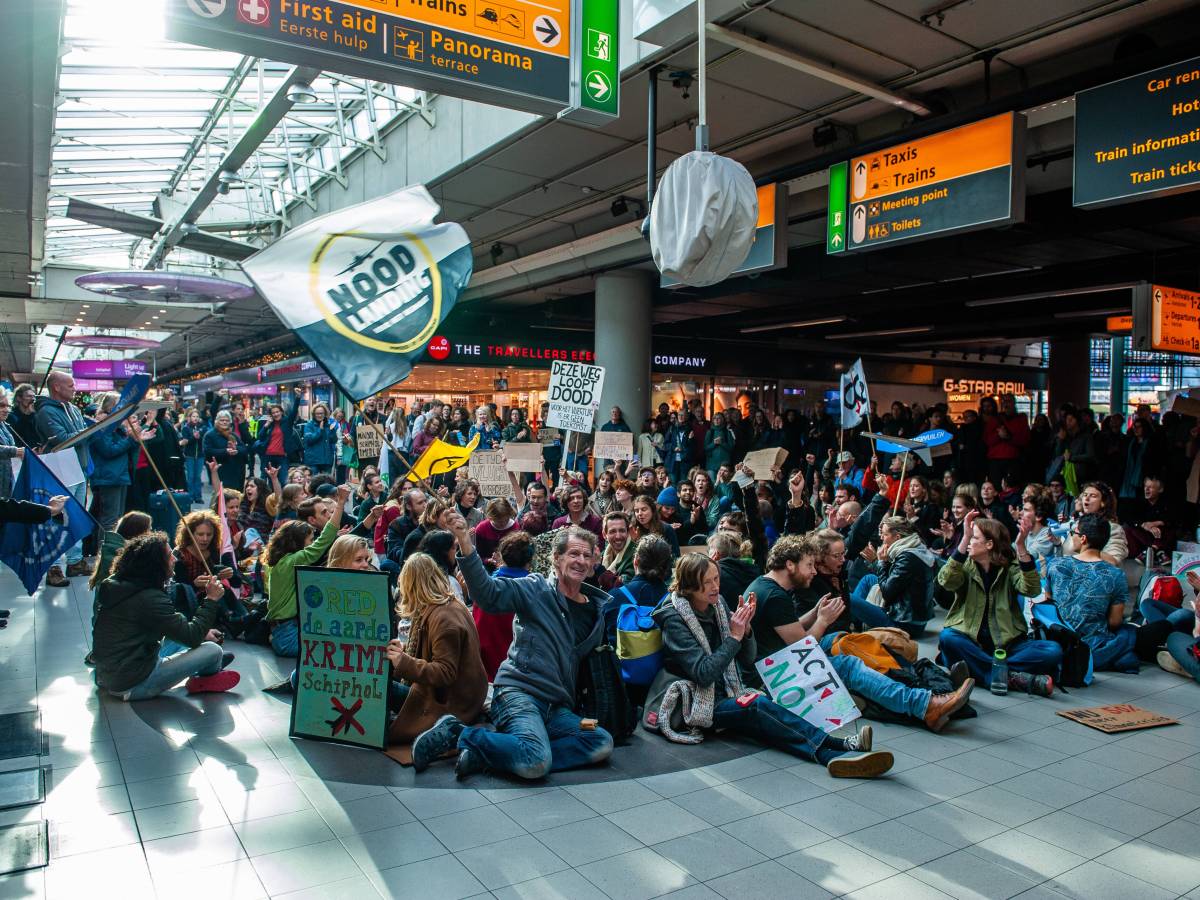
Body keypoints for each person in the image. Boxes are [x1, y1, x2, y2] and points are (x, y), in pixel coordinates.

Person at [643, 553, 893, 776]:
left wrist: (747, 630)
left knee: (768, 716)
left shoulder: (717, 606)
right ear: (689, 586)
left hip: (723, 690)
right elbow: (704, 673)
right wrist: (734, 637)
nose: (715, 587)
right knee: (758, 705)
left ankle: (837, 747)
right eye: (707, 582)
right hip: (695, 700)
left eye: (716, 578)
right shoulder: (675, 619)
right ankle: (832, 751)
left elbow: (746, 658)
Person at [411, 518, 614, 780]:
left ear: (593, 562)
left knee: (600, 739)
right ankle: (458, 733)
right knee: (535, 762)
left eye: (587, 555)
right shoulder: (536, 588)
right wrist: (464, 541)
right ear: (556, 558)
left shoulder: (595, 608)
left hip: (558, 709)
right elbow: (488, 594)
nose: (580, 561)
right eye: (573, 553)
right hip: (519, 696)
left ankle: (494, 753)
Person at [92, 533, 239, 700]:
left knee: (182, 639)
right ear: (155, 564)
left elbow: (166, 625)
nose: (174, 559)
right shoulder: (149, 597)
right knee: (213, 650)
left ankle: (208, 665)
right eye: (169, 556)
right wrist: (211, 600)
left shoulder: (121, 584)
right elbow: (192, 637)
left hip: (108, 675)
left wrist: (202, 632)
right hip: (132, 684)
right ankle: (207, 674)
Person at [937, 511, 1060, 694]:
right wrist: (965, 539)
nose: (970, 541)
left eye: (974, 538)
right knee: (948, 638)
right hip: (970, 640)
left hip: (1007, 644)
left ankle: (984, 670)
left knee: (1052, 650)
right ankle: (1010, 677)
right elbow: (945, 580)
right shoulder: (965, 565)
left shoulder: (1009, 567)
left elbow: (1032, 589)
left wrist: (1020, 546)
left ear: (989, 544)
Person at [389, 551, 488, 768]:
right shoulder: (443, 606)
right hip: (458, 695)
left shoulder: (444, 618)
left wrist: (403, 662)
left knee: (381, 687)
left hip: (452, 702)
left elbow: (445, 672)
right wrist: (403, 653)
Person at [1045, 514, 1173, 672]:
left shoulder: (1055, 565)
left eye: (1073, 533)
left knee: (1131, 636)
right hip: (1094, 645)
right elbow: (1114, 622)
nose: (1071, 537)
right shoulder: (1115, 574)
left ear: (1083, 538)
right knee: (1162, 627)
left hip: (1058, 642)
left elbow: (1048, 606)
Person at [263, 484, 350, 656]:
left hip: (287, 628)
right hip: (288, 635)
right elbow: (323, 541)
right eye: (310, 540)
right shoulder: (290, 561)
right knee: (337, 650)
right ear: (297, 542)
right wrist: (340, 502)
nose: (311, 543)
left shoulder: (281, 561)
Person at [36, 370, 92, 585]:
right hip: (60, 471)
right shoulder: (45, 412)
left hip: (78, 469)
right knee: (57, 519)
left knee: (76, 516)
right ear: (56, 387)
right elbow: (61, 439)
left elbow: (79, 436)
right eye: (70, 385)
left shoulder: (74, 409)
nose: (74, 388)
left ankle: (75, 560)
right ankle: (54, 567)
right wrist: (90, 432)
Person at [849, 515, 937, 638]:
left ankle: (850, 622)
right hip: (913, 617)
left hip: (904, 624)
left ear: (897, 537)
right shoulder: (916, 548)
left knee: (847, 597)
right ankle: (853, 620)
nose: (881, 537)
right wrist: (876, 561)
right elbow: (896, 580)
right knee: (868, 579)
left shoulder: (907, 558)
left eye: (884, 534)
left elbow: (887, 593)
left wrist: (880, 562)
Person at [474, 531, 529, 681]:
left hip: (485, 672)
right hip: (517, 673)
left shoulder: (485, 589)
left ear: (501, 557)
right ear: (530, 561)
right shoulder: (532, 593)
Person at [88, 398, 140, 531]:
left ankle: (111, 549)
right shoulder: (103, 425)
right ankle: (104, 551)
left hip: (120, 475)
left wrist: (134, 438)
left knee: (118, 519)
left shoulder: (117, 425)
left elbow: (127, 448)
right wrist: (129, 439)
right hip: (109, 477)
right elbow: (108, 450)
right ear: (112, 407)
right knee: (110, 521)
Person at [203, 410, 248, 493]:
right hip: (221, 471)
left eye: (226, 420)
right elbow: (208, 452)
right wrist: (225, 451)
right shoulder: (210, 435)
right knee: (223, 498)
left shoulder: (233, 435)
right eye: (222, 420)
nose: (224, 422)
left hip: (236, 472)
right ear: (217, 421)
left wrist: (236, 449)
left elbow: (244, 449)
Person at [178, 408, 208, 505]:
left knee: (198, 477)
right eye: (193, 416)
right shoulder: (186, 428)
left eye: (197, 416)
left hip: (200, 455)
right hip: (189, 455)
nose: (195, 418)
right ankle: (190, 496)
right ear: (189, 417)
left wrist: (199, 437)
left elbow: (204, 439)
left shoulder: (202, 427)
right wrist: (193, 438)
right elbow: (186, 441)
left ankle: (198, 497)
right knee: (190, 476)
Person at [302, 402, 338, 475]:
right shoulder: (309, 425)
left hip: (327, 460)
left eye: (321, 413)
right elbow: (309, 440)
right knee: (314, 483)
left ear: (325, 414)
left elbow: (333, 440)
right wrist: (320, 430)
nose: (319, 415)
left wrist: (333, 431)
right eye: (317, 413)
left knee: (326, 483)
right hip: (313, 461)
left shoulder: (328, 425)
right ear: (314, 414)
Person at [600, 511, 636, 584]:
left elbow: (624, 586)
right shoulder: (602, 555)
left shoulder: (636, 555)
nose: (618, 536)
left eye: (622, 531)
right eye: (613, 531)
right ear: (604, 534)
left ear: (628, 532)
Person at [0, 389, 23, 501]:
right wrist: (16, 451)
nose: (6, 410)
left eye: (8, 406)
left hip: (6, 485)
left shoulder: (4, 425)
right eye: (1, 406)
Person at [8, 383, 39, 450]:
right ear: (19, 398)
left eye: (34, 396)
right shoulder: (10, 416)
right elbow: (17, 435)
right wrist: (27, 414)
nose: (33, 399)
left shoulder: (35, 415)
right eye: (29, 396)